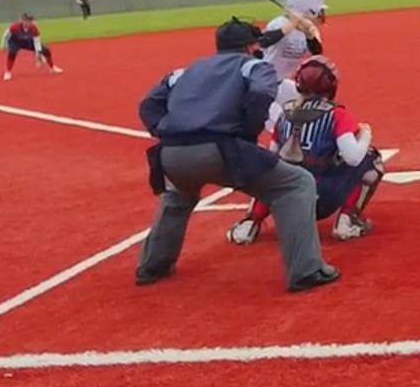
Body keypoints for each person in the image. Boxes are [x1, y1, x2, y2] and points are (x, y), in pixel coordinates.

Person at [135, 18, 339, 292]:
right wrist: (247, 129)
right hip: (221, 150)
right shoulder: (253, 65)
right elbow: (262, 91)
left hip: (170, 156)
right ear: (251, 46)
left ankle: (152, 267)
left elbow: (148, 103)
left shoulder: (185, 71)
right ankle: (306, 270)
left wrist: (164, 130)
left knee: (177, 197)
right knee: (296, 184)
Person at [230, 54, 386, 246]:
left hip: (285, 201)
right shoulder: (337, 114)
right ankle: (348, 220)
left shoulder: (284, 113)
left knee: (271, 169)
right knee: (370, 158)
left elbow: (272, 156)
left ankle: (250, 222)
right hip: (322, 198)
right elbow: (353, 158)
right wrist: (365, 134)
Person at [1, 14, 62, 80]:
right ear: (22, 21)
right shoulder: (15, 27)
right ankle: (8, 72)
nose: (28, 23)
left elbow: (37, 41)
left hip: (27, 42)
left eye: (30, 21)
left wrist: (38, 54)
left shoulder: (34, 28)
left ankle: (52, 68)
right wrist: (4, 45)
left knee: (46, 50)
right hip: (15, 42)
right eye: (27, 21)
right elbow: (6, 36)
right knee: (12, 53)